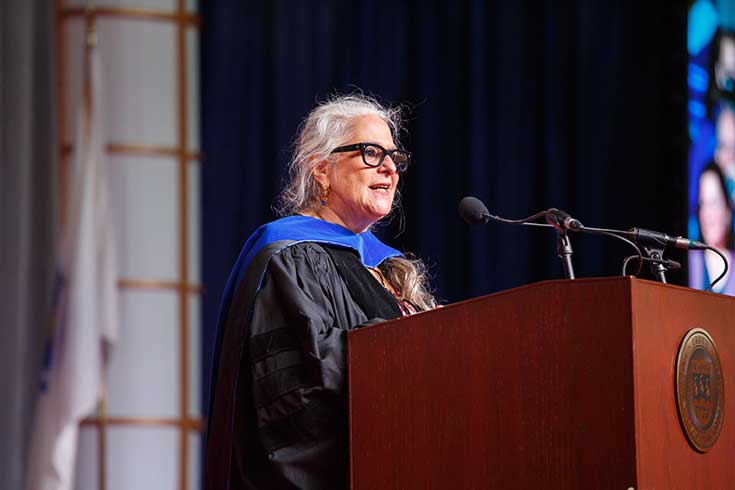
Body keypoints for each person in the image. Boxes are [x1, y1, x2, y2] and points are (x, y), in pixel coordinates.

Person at [205, 94, 437, 490]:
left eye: (394, 158)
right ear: (321, 169)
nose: (389, 168)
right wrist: (409, 346)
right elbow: (298, 387)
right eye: (370, 152)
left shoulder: (390, 267)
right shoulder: (289, 255)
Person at [689, 162, 735, 294]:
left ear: (727, 211)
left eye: (713, 203)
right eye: (703, 204)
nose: (707, 214)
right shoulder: (690, 261)